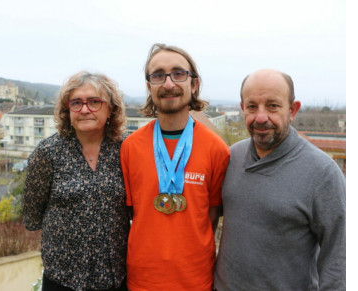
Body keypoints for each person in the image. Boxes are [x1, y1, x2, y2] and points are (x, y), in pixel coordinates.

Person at [214, 69, 346, 290]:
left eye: (273, 106)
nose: (261, 117)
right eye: (252, 106)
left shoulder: (323, 173)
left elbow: (339, 257)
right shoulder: (231, 157)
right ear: (242, 108)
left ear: (293, 110)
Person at [120, 43, 230, 290]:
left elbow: (210, 217)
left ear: (194, 84)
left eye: (178, 73)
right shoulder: (130, 147)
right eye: (158, 75)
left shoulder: (217, 149)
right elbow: (133, 215)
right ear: (149, 87)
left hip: (196, 281)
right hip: (141, 281)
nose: (168, 84)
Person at [23, 71, 130, 291]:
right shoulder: (47, 153)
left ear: (110, 108)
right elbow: (32, 215)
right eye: (76, 103)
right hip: (63, 279)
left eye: (94, 102)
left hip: (115, 277)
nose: (84, 109)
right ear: (67, 110)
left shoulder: (127, 150)